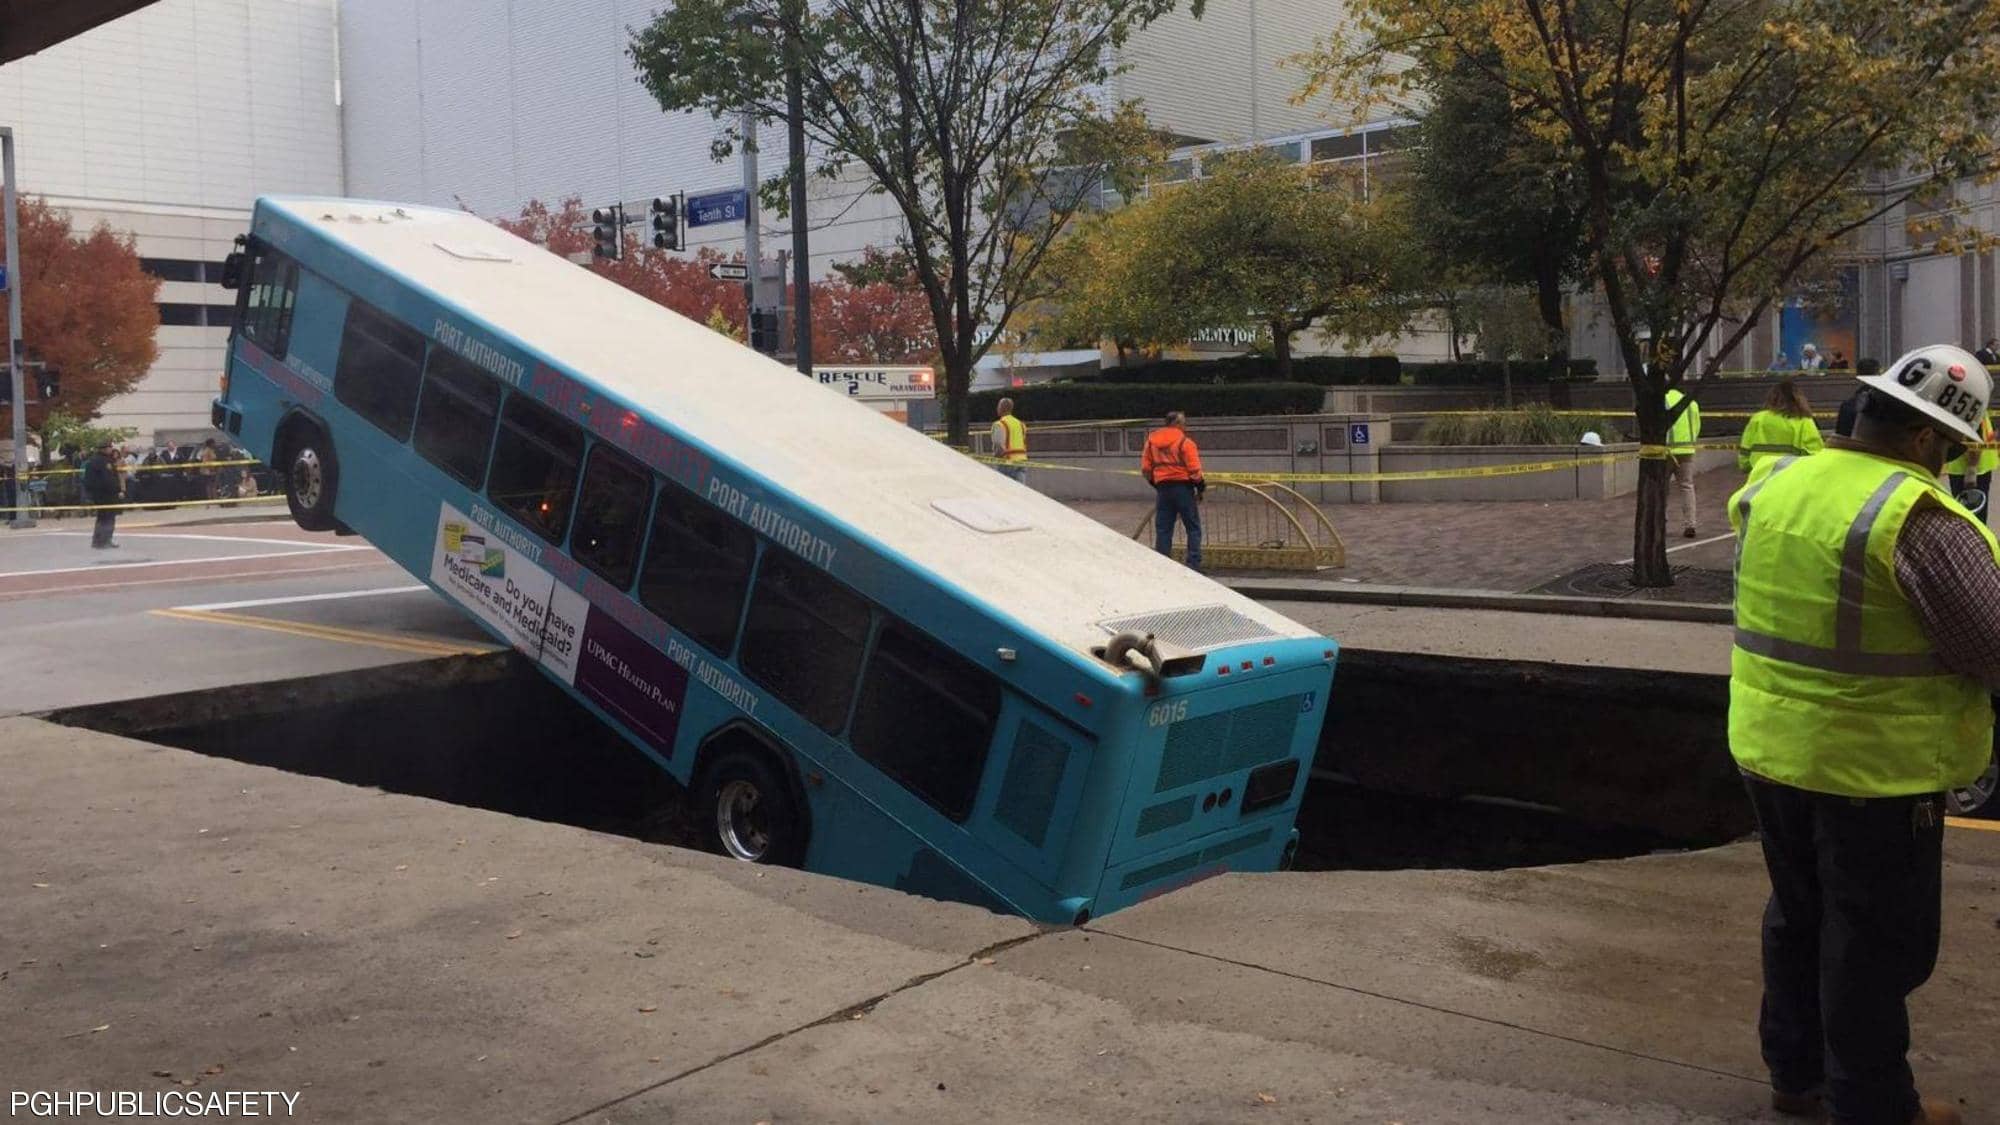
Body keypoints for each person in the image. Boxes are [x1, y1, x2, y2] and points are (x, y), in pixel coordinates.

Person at [1729, 343, 2000, 1125]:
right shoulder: (1914, 515)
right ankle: (1875, 1104)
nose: (1950, 466)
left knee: (1797, 913)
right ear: (1925, 439)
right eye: (1953, 449)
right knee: (1875, 940)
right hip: (1874, 769)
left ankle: (1798, 1075)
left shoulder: (1777, 484)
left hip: (1770, 750)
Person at [1141, 410, 1205, 571]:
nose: (1185, 425)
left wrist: (1156, 483)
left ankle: (1163, 565)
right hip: (1183, 488)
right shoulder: (1185, 442)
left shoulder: (1151, 442)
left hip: (1163, 488)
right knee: (1192, 526)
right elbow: (1195, 470)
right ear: (1176, 424)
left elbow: (1145, 469)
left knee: (1163, 527)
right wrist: (1200, 487)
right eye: (1183, 422)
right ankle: (1193, 564)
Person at [1737, 378, 1824, 473]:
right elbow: (1815, 452)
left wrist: (1746, 466)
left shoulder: (1758, 418)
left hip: (1761, 473)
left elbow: (1745, 448)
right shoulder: (1803, 421)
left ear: (1772, 397)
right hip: (1792, 474)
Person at [1665, 386, 1702, 537]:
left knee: (1662, 490)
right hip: (1686, 451)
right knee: (1687, 487)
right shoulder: (1691, 402)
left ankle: (1661, 524)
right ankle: (1690, 524)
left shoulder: (1663, 400)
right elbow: (1697, 426)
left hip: (1666, 452)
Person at [1941, 412, 1995, 507]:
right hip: (1971, 467)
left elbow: (1974, 437)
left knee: (1967, 512)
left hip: (1968, 467)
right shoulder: (1973, 403)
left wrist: (1972, 469)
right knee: (1974, 513)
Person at [81, 440, 123, 549]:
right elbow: (92, 480)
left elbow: (114, 476)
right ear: (104, 449)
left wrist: (118, 489)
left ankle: (105, 539)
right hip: (102, 494)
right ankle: (101, 541)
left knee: (108, 517)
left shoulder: (109, 460)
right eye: (109, 447)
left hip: (110, 494)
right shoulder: (96, 461)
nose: (111, 449)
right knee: (105, 518)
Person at [989, 398, 1028, 485]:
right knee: (1020, 491)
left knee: (1005, 492)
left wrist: (997, 457)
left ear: (1002, 408)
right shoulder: (1021, 424)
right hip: (1022, 461)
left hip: (1006, 462)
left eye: (998, 406)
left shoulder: (999, 424)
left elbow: (998, 444)